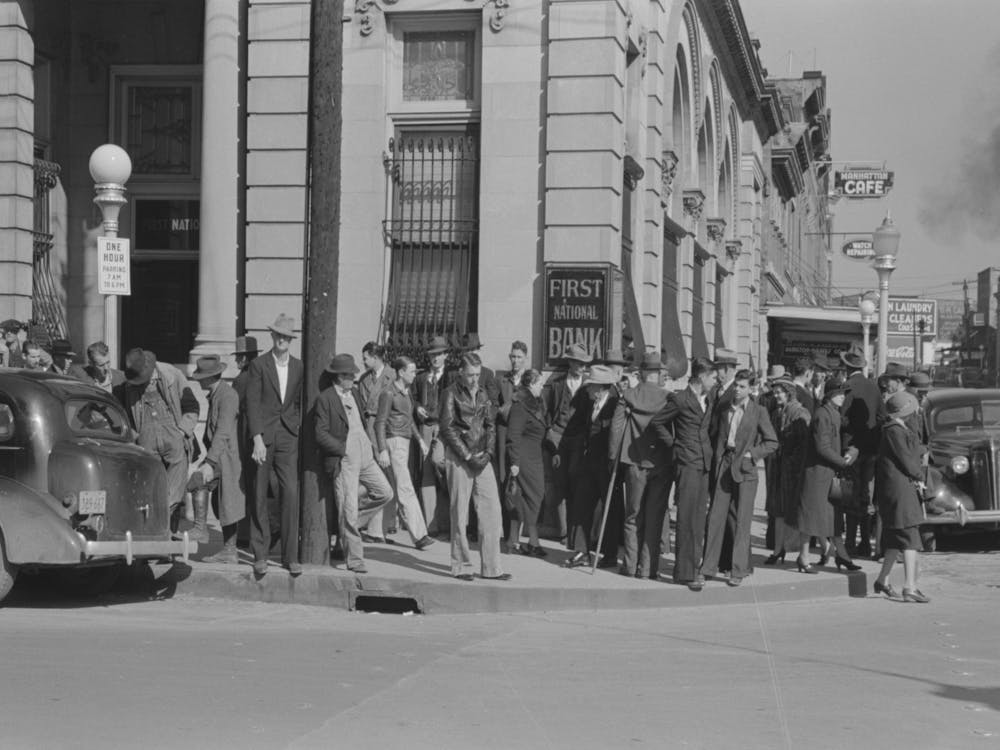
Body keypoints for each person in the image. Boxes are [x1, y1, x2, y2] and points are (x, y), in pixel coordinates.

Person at [699, 369, 777, 587]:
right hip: (724, 465)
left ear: (751, 388)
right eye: (736, 385)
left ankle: (738, 569)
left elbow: (772, 441)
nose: (737, 389)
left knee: (742, 521)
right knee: (715, 516)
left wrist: (753, 455)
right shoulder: (725, 408)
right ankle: (706, 568)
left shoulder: (758, 411)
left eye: (742, 386)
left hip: (746, 470)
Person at [316, 353, 393, 574]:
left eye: (352, 374)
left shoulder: (355, 393)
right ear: (337, 376)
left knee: (385, 493)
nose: (352, 377)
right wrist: (342, 449)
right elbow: (320, 434)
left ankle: (347, 528)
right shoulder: (327, 399)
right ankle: (355, 558)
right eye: (347, 374)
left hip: (365, 454)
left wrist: (372, 446)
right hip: (345, 460)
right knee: (347, 509)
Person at [439, 352, 509, 581]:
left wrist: (488, 453)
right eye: (470, 375)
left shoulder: (483, 392)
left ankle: (491, 568)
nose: (474, 380)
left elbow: (490, 424)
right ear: (460, 373)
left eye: (477, 375)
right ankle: (461, 566)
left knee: (492, 511)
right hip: (460, 457)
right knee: (460, 513)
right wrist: (467, 455)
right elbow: (447, 429)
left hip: (481, 456)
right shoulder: (449, 393)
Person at [650, 356, 716, 590]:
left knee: (698, 520)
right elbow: (658, 423)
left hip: (703, 465)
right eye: (713, 377)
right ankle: (684, 573)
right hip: (687, 463)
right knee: (687, 518)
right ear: (702, 377)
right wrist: (675, 446)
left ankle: (694, 567)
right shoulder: (680, 399)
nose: (715, 382)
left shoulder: (707, 399)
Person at [246, 314, 304, 576]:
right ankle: (260, 554)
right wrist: (257, 438)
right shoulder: (259, 365)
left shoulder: (298, 366)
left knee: (290, 492)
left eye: (286, 337)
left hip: (288, 435)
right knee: (259, 492)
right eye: (278, 335)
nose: (282, 340)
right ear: (272, 337)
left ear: (290, 340)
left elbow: (299, 400)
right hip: (264, 437)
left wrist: (295, 425)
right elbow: (252, 404)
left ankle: (290, 556)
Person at [115, 348, 200, 527]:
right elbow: (124, 417)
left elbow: (191, 406)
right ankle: (155, 529)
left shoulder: (172, 375)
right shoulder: (127, 385)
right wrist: (135, 438)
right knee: (150, 488)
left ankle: (165, 528)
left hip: (173, 435)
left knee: (174, 490)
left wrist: (182, 431)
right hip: (146, 443)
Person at [609, 353, 671, 579]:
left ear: (642, 373)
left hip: (633, 461)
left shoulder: (628, 395)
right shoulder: (668, 397)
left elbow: (616, 429)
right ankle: (647, 569)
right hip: (661, 463)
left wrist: (613, 456)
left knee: (633, 516)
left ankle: (629, 565)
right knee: (654, 517)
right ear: (658, 373)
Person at [794, 377, 860, 574]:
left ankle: (837, 554)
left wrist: (850, 452)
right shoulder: (823, 415)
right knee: (811, 518)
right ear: (829, 396)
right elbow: (822, 447)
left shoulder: (832, 413)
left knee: (830, 518)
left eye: (843, 393)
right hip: (817, 474)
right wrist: (844, 461)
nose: (842, 397)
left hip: (826, 473)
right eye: (838, 393)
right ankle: (804, 558)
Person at [872, 391, 930, 602]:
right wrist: (919, 476)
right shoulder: (894, 430)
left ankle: (882, 580)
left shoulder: (894, 428)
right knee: (909, 537)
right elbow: (907, 459)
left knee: (894, 539)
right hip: (900, 489)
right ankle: (910, 586)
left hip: (893, 488)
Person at [374, 356, 434, 550]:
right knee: (405, 488)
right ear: (401, 372)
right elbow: (380, 422)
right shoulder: (389, 393)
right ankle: (420, 535)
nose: (415, 374)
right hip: (394, 442)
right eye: (412, 371)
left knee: (391, 488)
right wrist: (382, 449)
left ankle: (375, 532)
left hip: (404, 441)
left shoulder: (406, 393)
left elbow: (408, 420)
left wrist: (419, 441)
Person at [562, 364, 617, 568]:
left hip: (606, 465)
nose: (588, 389)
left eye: (592, 386)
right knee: (582, 504)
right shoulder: (592, 402)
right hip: (589, 461)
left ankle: (609, 554)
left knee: (609, 510)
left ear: (601, 386)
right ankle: (582, 551)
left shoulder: (614, 403)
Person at [189, 355, 244, 558]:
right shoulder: (217, 394)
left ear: (210, 377)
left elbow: (223, 431)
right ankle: (227, 550)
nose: (198, 380)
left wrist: (209, 462)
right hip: (220, 454)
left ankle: (202, 530)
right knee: (224, 502)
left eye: (201, 376)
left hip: (226, 457)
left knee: (206, 486)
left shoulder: (227, 395)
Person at [543, 342, 592, 542]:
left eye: (584, 363)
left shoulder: (589, 384)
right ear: (570, 362)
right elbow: (545, 409)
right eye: (579, 362)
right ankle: (563, 531)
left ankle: (574, 532)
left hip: (579, 438)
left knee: (577, 483)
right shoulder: (557, 383)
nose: (582, 366)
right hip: (558, 437)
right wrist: (549, 430)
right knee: (559, 484)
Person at [840, 348, 883, 558]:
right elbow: (882, 416)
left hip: (852, 450)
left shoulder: (848, 386)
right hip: (871, 451)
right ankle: (865, 542)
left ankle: (849, 543)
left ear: (847, 367)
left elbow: (841, 418)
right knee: (866, 496)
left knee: (851, 497)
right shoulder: (873, 388)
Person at [763, 377, 811, 565]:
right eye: (774, 392)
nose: (776, 395)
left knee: (797, 511)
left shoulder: (800, 412)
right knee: (778, 511)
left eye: (779, 392)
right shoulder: (776, 412)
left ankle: (813, 552)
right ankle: (778, 549)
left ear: (789, 392)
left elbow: (804, 443)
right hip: (778, 468)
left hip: (792, 470)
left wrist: (792, 461)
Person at [357, 341, 397, 541]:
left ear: (375, 357)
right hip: (369, 428)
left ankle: (387, 524)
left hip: (388, 427)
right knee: (376, 476)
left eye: (365, 358)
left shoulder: (393, 375)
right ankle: (374, 529)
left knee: (391, 476)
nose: (363, 361)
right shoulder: (364, 379)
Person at [505, 368, 547, 556]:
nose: (542, 386)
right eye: (540, 383)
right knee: (534, 498)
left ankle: (516, 541)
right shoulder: (520, 405)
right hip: (523, 460)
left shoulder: (535, 403)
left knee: (523, 499)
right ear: (531, 384)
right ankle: (532, 541)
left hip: (533, 457)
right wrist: (514, 462)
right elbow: (513, 434)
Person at [413, 336, 450, 537]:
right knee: (426, 474)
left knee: (442, 467)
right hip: (425, 427)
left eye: (438, 355)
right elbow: (414, 399)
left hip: (444, 428)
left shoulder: (451, 377)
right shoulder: (421, 378)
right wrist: (417, 407)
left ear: (445, 355)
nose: (435, 359)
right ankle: (431, 525)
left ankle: (448, 521)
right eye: (432, 355)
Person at [497, 339, 529, 483]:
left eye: (519, 357)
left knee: (521, 466)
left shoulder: (530, 379)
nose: (515, 361)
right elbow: (495, 405)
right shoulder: (502, 380)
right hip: (504, 427)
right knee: (504, 467)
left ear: (525, 358)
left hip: (523, 429)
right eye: (513, 357)